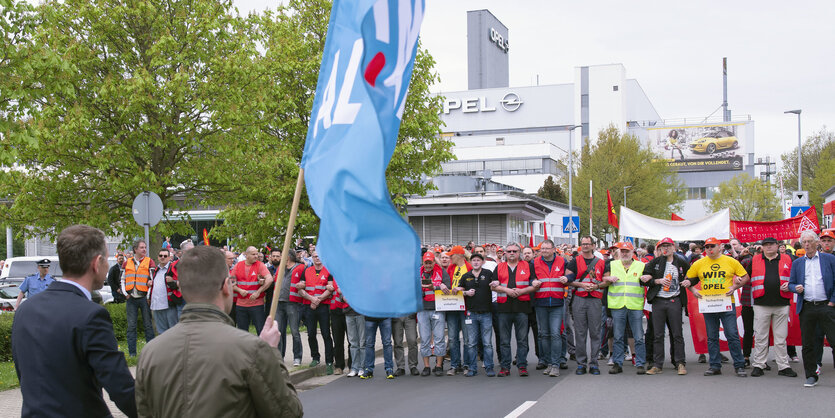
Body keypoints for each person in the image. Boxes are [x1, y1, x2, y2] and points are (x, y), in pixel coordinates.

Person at [135, 246, 302, 417]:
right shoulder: (251, 350)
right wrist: (271, 354)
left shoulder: (150, 353)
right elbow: (288, 412)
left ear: (182, 289)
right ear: (225, 286)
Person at [12, 225, 137, 417]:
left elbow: (27, 374)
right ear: (97, 263)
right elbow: (120, 387)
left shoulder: (25, 310)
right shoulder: (91, 315)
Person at [686, 237, 749, 377]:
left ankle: (739, 365)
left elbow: (745, 277)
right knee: (712, 336)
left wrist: (734, 286)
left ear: (720, 247)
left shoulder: (730, 261)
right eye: (707, 247)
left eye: (712, 246)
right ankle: (714, 366)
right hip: (709, 304)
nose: (709, 249)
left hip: (726, 302)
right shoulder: (699, 263)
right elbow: (687, 279)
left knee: (732, 334)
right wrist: (694, 291)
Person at [788, 230, 835, 387]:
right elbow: (791, 283)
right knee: (808, 343)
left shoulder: (829, 259)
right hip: (807, 307)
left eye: (810, 241)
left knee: (833, 340)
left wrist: (832, 302)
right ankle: (811, 375)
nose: (807, 244)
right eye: (804, 242)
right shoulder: (798, 263)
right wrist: (796, 288)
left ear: (817, 243)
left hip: (826, 306)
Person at [745, 237, 797, 378]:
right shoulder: (754, 260)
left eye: (771, 245)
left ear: (777, 245)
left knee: (781, 338)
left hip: (782, 303)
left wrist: (791, 285)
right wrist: (737, 281)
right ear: (762, 247)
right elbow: (745, 276)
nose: (768, 247)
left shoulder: (788, 259)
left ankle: (783, 366)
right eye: (766, 245)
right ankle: (758, 365)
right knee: (761, 337)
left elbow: (796, 276)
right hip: (761, 303)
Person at [641, 238, 690, 375]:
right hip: (658, 301)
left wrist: (688, 281)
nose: (666, 249)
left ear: (673, 247)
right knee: (658, 334)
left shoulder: (680, 261)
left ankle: (680, 362)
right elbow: (644, 277)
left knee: (677, 333)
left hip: (675, 300)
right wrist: (655, 280)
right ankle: (657, 364)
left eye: (668, 246)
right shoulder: (655, 262)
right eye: (663, 246)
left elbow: (691, 274)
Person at [490, 242, 537, 377]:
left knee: (522, 339)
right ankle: (505, 367)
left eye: (514, 251)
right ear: (505, 253)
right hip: (504, 307)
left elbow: (535, 285)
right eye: (509, 251)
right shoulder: (499, 267)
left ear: (519, 253)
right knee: (504, 340)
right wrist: (507, 290)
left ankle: (522, 365)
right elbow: (493, 286)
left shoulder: (528, 266)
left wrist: (522, 291)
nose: (511, 253)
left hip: (522, 307)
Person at [602, 242, 646, 375]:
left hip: (635, 304)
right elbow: (603, 278)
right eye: (623, 251)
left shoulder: (641, 265)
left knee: (638, 336)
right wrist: (608, 278)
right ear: (619, 252)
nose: (625, 253)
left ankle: (640, 363)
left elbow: (649, 279)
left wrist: (647, 277)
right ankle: (617, 363)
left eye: (627, 251)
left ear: (633, 252)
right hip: (618, 304)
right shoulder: (612, 264)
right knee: (618, 336)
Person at [566, 236, 605, 375]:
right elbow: (568, 280)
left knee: (595, 333)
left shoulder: (601, 262)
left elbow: (606, 280)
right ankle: (581, 364)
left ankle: (594, 363)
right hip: (579, 299)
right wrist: (581, 284)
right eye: (583, 244)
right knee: (580, 333)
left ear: (594, 245)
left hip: (595, 299)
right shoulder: (574, 262)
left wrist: (596, 286)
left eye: (588, 244)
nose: (585, 246)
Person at [531, 239, 569, 377]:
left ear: (554, 249)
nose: (545, 251)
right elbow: (530, 277)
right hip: (541, 302)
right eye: (543, 249)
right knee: (544, 334)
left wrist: (567, 277)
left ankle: (555, 364)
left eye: (547, 248)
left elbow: (571, 274)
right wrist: (532, 281)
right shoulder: (534, 262)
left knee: (555, 333)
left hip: (557, 303)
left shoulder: (562, 261)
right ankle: (547, 363)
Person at [300, 251, 335, 373]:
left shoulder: (328, 271)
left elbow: (330, 289)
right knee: (311, 334)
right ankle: (315, 357)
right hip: (309, 306)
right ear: (312, 258)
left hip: (323, 306)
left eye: (319, 256)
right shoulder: (306, 271)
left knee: (326, 334)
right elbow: (301, 289)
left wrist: (318, 300)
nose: (317, 258)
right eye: (315, 256)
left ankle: (329, 361)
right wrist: (311, 299)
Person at [461, 253, 496, 377]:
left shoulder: (488, 274)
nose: (476, 262)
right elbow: (459, 290)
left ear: (482, 262)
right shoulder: (466, 276)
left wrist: (495, 285)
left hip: (486, 313)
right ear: (471, 262)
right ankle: (472, 368)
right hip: (471, 313)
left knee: (487, 343)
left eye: (478, 260)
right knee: (471, 343)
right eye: (474, 260)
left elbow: (496, 284)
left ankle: (489, 367)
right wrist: (465, 293)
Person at [418, 251, 450, 376]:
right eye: (426, 263)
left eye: (430, 263)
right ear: (423, 262)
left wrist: (436, 287)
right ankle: (426, 366)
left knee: (439, 338)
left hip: (438, 309)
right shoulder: (418, 272)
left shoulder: (441, 272)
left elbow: (448, 287)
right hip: (422, 309)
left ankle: (438, 365)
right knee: (425, 338)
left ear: (433, 262)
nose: (428, 266)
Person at [122, 239, 156, 357]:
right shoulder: (127, 262)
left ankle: (150, 353)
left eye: (145, 247)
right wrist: (125, 293)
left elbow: (153, 280)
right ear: (135, 249)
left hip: (143, 298)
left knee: (148, 325)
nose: (144, 249)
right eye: (142, 247)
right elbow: (122, 279)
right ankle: (132, 354)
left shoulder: (149, 261)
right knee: (131, 326)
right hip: (131, 297)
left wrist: (148, 295)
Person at [231, 246, 273, 335]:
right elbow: (231, 283)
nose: (256, 256)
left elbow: (270, 279)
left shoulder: (260, 265)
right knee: (242, 333)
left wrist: (258, 292)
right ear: (246, 255)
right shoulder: (238, 265)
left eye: (257, 254)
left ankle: (261, 348)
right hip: (241, 305)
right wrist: (239, 290)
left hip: (257, 304)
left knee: (261, 331)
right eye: (253, 254)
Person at [277, 249, 306, 367]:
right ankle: (280, 357)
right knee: (279, 331)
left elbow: (305, 281)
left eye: (282, 256)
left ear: (288, 257)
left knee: (295, 331)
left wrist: (303, 284)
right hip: (279, 303)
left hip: (293, 303)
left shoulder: (300, 267)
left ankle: (297, 357)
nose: (280, 258)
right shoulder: (280, 268)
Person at [445, 245, 471, 375]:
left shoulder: (469, 267)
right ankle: (455, 365)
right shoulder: (451, 268)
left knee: (467, 338)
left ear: (460, 256)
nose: (450, 257)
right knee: (452, 338)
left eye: (452, 255)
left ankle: (466, 364)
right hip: (451, 306)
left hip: (465, 307)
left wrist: (463, 290)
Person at [149, 248, 178, 334]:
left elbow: (180, 283)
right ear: (158, 257)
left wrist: (173, 281)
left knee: (172, 331)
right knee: (161, 332)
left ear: (169, 258)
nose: (162, 257)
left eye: (165, 256)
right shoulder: (155, 270)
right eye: (160, 255)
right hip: (157, 305)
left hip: (169, 305)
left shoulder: (173, 268)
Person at [163, 239, 193, 319]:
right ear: (183, 252)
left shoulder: (199, 264)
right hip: (180, 299)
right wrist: (176, 283)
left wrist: (176, 283)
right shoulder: (173, 265)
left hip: (195, 298)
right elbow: (167, 280)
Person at [362, 315, 395, 380]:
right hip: (370, 317)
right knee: (369, 344)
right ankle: (369, 369)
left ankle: (389, 369)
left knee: (387, 343)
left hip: (385, 316)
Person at [391, 310, 419, 376]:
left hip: (410, 314)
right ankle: (400, 367)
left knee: (412, 341)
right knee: (397, 342)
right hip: (396, 315)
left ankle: (413, 366)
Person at [330, 278, 349, 375]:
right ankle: (339, 366)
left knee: (352, 341)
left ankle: (352, 365)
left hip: (349, 311)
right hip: (336, 311)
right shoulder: (332, 273)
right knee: (337, 340)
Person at [345, 299, 366, 377]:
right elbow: (342, 295)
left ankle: (362, 367)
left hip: (360, 313)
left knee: (362, 342)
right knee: (353, 342)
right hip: (348, 313)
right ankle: (354, 368)